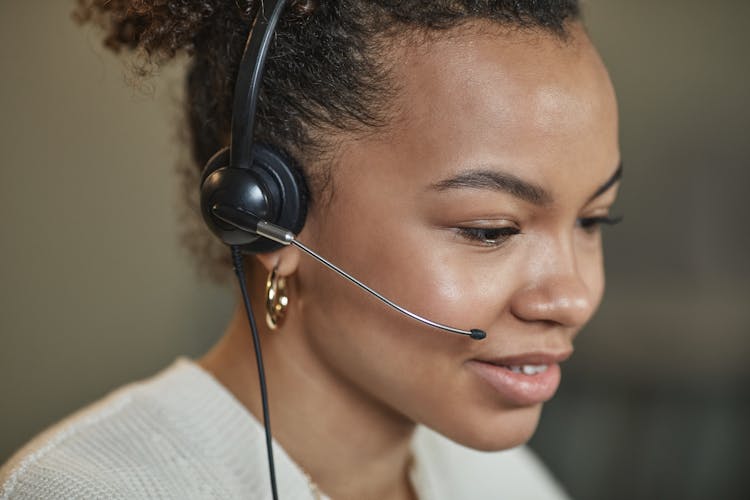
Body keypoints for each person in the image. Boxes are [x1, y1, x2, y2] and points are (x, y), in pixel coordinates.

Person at [0, 0, 621, 498]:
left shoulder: (502, 482)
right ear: (267, 214)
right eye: (492, 229)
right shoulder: (86, 489)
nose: (572, 298)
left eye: (594, 221)